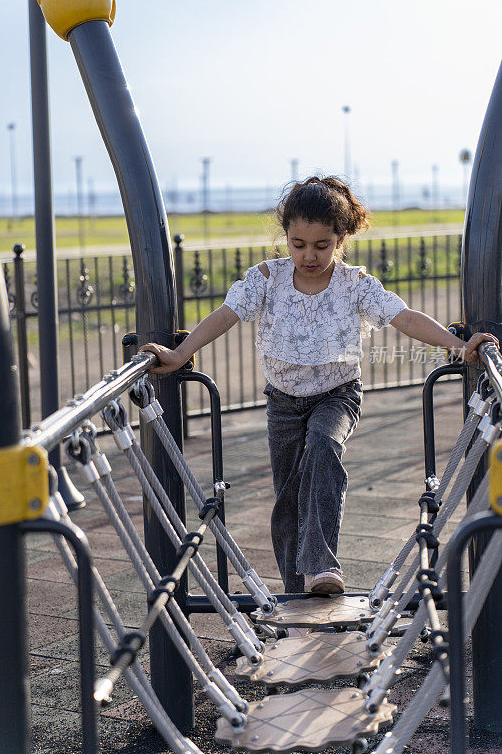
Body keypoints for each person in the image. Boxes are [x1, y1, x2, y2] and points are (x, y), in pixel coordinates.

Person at [140, 176, 497, 596]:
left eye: (322, 246)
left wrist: (459, 346)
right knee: (288, 498)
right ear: (286, 236)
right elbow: (226, 314)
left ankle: (322, 565)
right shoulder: (267, 278)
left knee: (324, 447)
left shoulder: (354, 284)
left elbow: (405, 316)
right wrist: (181, 354)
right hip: (283, 403)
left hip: (337, 395)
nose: (309, 255)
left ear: (341, 238)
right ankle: (296, 595)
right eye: (298, 244)